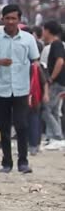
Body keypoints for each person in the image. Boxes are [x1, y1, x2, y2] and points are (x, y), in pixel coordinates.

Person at [0, 4, 40, 174]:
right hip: (1, 88)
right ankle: (6, 162)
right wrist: (0, 61)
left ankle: (23, 161)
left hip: (22, 89)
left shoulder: (28, 39)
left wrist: (38, 83)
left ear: (19, 20)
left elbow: (35, 61)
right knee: (4, 127)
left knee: (22, 125)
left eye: (13, 18)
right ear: (2, 19)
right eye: (7, 18)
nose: (10, 21)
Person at [40, 20, 65, 149]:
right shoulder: (57, 44)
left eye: (44, 30)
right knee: (54, 110)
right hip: (61, 82)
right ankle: (53, 137)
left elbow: (60, 61)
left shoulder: (56, 44)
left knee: (45, 109)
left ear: (48, 31)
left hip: (56, 82)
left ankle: (57, 136)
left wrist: (51, 78)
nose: (42, 33)